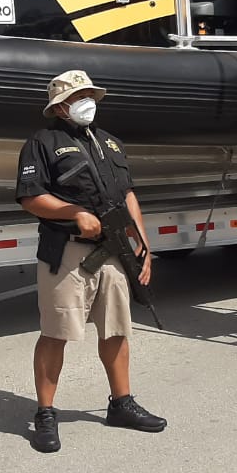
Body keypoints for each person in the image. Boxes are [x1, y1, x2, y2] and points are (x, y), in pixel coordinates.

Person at [15, 68, 167, 453]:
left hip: (115, 252)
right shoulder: (42, 142)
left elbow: (128, 195)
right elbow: (31, 198)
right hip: (66, 252)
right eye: (78, 96)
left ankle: (122, 403)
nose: (87, 102)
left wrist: (142, 244)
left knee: (116, 329)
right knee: (56, 332)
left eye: (89, 95)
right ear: (60, 106)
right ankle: (46, 413)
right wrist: (72, 213)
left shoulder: (111, 143)